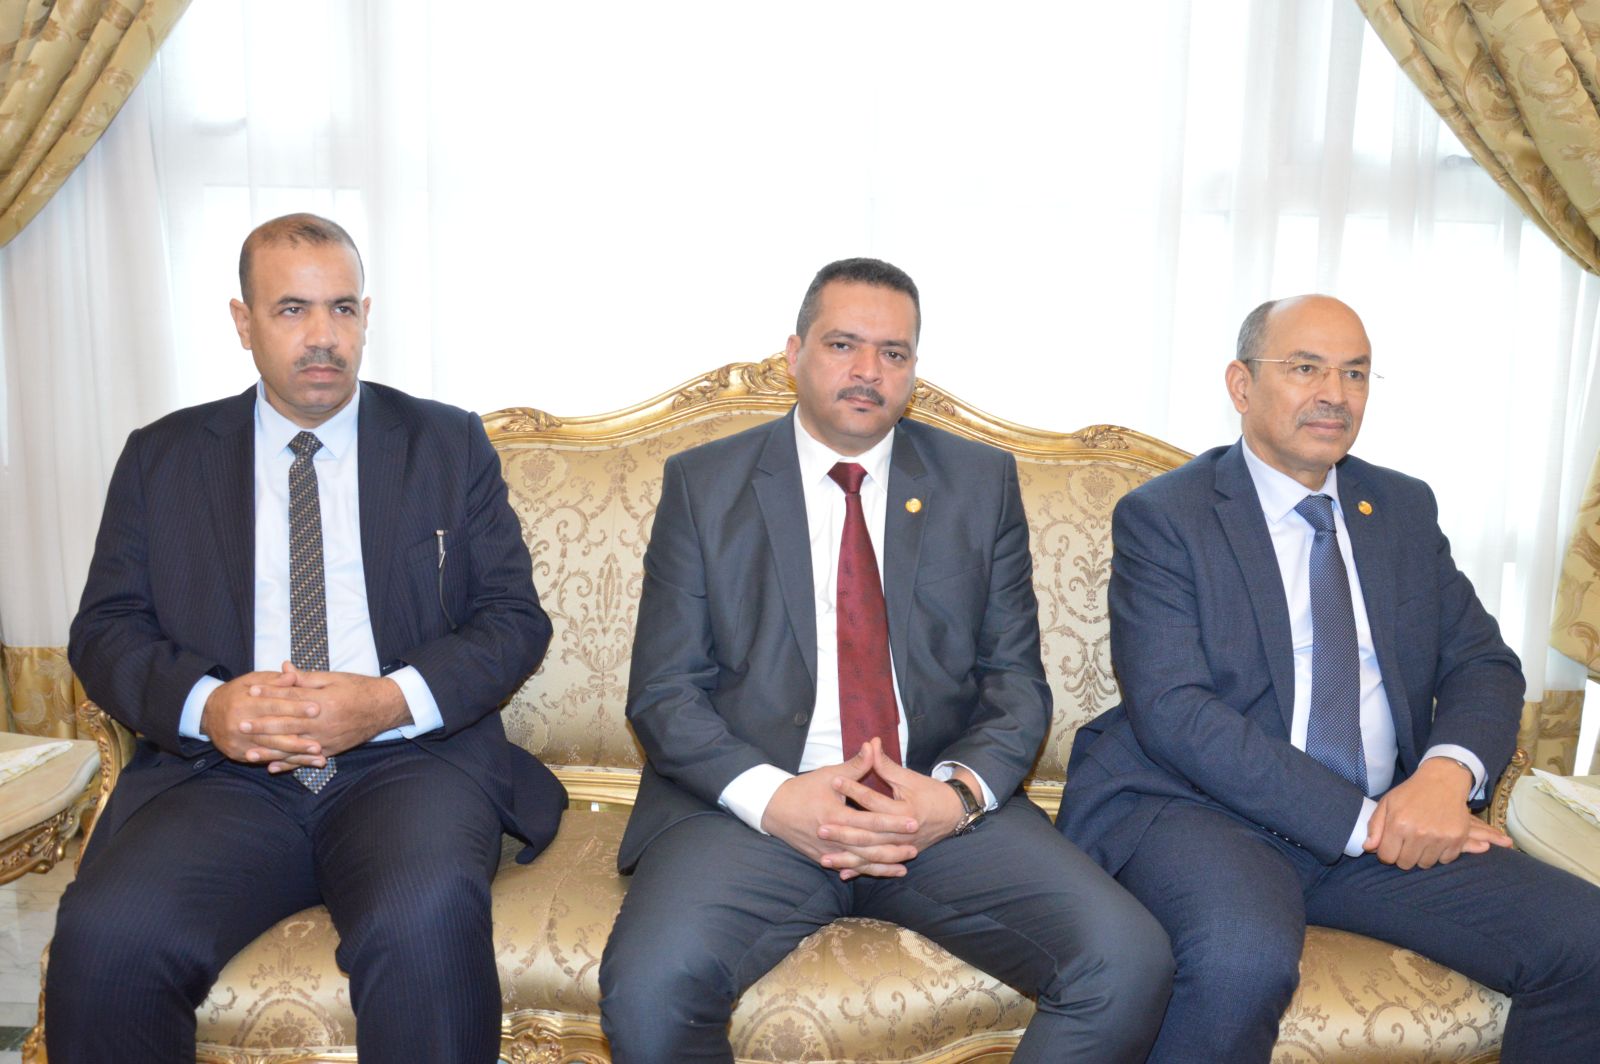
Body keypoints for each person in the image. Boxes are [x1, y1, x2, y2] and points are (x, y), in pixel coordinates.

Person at [598, 257, 1174, 1062]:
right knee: (650, 987)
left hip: (929, 805)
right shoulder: (706, 483)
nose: (868, 370)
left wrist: (955, 797)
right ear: (794, 354)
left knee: (1128, 958)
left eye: (893, 353)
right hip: (753, 813)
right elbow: (664, 692)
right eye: (843, 345)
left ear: (913, 370)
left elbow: (1015, 684)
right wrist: (775, 800)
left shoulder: (979, 483)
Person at [48, 213, 565, 1064]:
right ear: (243, 322)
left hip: (406, 766)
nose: (323, 335)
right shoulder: (162, 456)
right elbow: (105, 630)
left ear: (366, 316)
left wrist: (388, 701)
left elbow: (513, 618)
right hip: (222, 778)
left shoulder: (445, 443)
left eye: (342, 309)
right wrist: (210, 707)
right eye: (292, 309)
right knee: (110, 940)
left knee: (425, 921)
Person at [1059, 294, 1600, 1063]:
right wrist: (1365, 821)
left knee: (1587, 940)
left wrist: (1443, 778)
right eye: (1306, 368)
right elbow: (1176, 711)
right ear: (1241, 385)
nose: (1335, 394)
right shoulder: (1167, 515)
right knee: (1242, 961)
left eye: (1355, 373)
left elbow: (1482, 663)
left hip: (1384, 827)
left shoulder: (1401, 508)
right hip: (1203, 814)